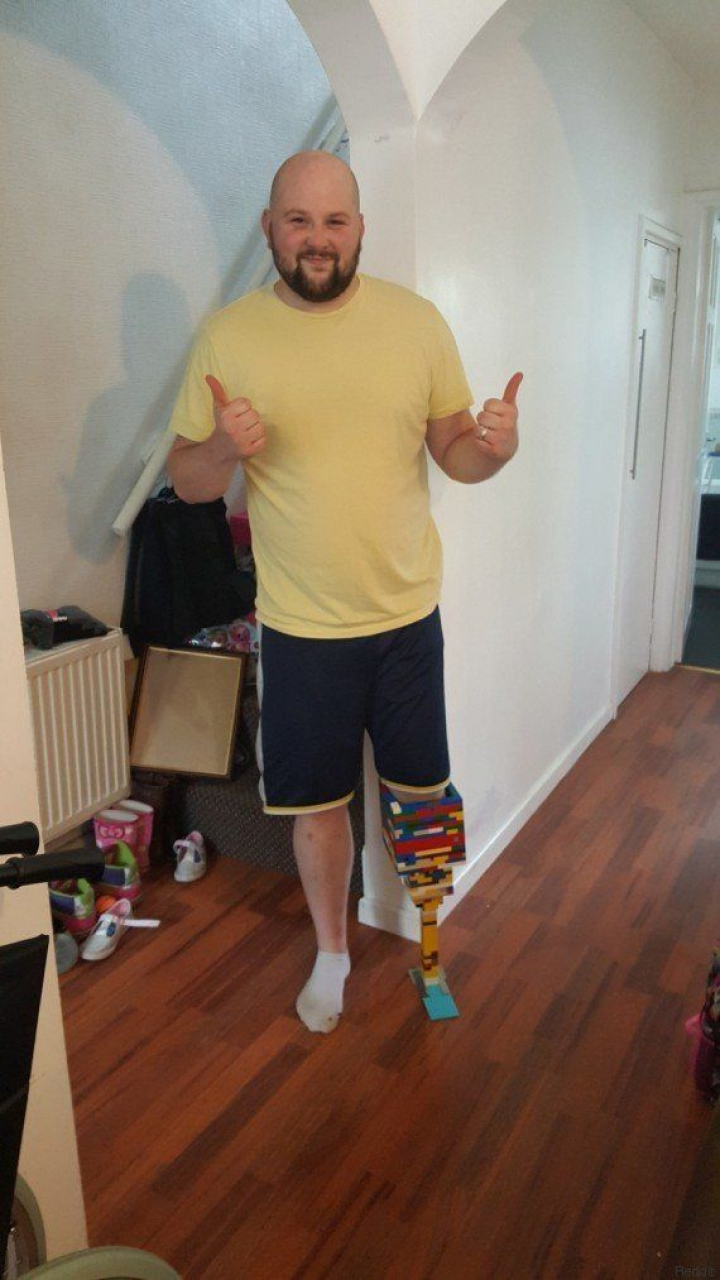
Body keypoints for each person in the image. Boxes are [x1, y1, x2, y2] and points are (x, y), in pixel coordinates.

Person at [167, 150, 522, 1034]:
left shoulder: (417, 323)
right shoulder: (228, 336)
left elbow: (455, 454)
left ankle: (428, 941)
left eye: (334, 221)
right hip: (299, 630)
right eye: (299, 220)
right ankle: (333, 953)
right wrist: (223, 448)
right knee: (317, 809)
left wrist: (495, 451)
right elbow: (189, 482)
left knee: (421, 796)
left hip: (405, 620)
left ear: (360, 227)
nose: (317, 239)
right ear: (270, 228)